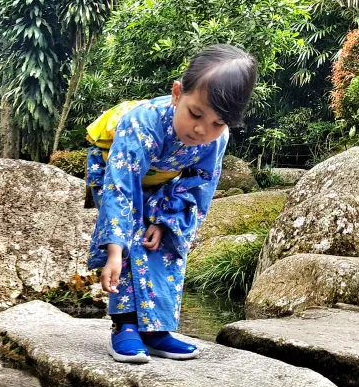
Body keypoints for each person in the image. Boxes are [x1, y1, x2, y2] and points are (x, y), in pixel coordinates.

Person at [85, 45, 257, 363]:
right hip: (117, 170)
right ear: (177, 93)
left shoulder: (216, 138)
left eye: (219, 123)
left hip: (165, 182)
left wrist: (164, 221)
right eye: (195, 114)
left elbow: (200, 183)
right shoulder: (141, 124)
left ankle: (155, 330)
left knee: (166, 241)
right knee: (130, 232)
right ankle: (124, 327)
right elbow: (121, 189)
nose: (202, 129)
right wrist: (113, 249)